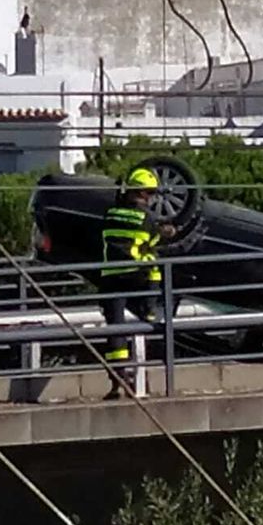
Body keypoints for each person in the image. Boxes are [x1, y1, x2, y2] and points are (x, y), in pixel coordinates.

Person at [98, 167, 173, 396]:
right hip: (135, 275)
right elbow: (156, 238)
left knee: (115, 329)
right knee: (154, 263)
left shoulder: (110, 213)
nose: (151, 198)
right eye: (150, 193)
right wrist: (167, 231)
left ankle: (117, 379)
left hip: (110, 278)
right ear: (141, 192)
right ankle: (150, 309)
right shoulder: (147, 218)